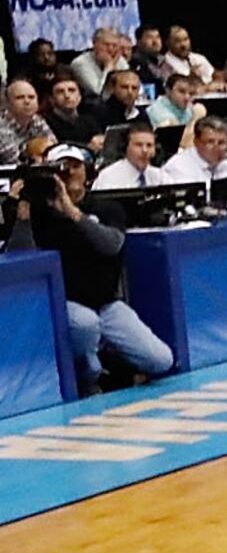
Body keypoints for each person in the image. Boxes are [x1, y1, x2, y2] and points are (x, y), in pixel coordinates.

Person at [24, 151, 173, 384]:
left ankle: (111, 361)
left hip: (105, 303)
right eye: (62, 168)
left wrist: (72, 212)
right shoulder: (39, 214)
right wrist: (23, 216)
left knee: (161, 360)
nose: (70, 173)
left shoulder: (106, 208)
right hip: (64, 303)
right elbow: (19, 256)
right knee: (86, 323)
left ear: (87, 171)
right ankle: (89, 376)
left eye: (75, 166)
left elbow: (111, 245)